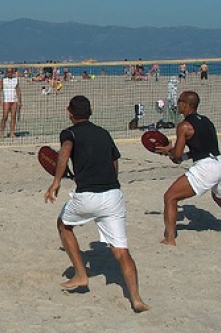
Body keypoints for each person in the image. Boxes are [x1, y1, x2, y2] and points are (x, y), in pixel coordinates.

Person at [44, 95, 149, 313]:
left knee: (64, 225)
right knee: (122, 251)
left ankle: (81, 275)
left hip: (87, 196)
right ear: (90, 112)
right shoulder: (103, 133)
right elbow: (114, 161)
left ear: (69, 112)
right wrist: (111, 182)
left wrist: (56, 182)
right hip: (112, 195)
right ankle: (136, 298)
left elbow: (64, 152)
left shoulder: (69, 133)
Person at [156, 91, 221, 246]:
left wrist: (169, 151)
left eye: (179, 101)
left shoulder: (184, 126)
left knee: (170, 197)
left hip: (206, 168)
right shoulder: (207, 121)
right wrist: (178, 155)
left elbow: (177, 157)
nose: (177, 103)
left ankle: (169, 239)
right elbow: (200, 150)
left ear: (186, 104)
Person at [0, 68, 22, 139]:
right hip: (6, 101)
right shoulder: (3, 80)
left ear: (13, 72)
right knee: (5, 117)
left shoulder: (16, 80)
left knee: (13, 117)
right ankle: (2, 132)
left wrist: (20, 101)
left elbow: (18, 91)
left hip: (14, 101)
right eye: (8, 72)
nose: (9, 73)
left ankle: (12, 133)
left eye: (11, 72)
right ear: (6, 73)